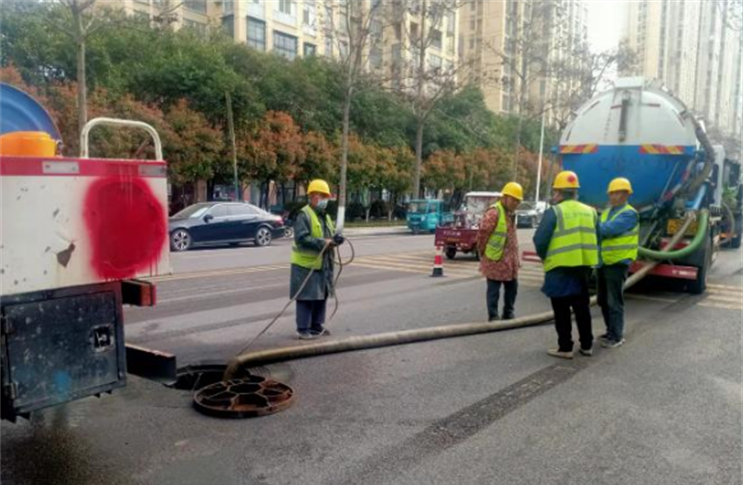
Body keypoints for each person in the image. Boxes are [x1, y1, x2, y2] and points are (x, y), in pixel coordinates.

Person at [533, 171, 599, 359]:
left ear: (559, 192)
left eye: (555, 191)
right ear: (575, 192)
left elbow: (540, 240)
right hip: (584, 266)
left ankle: (565, 347)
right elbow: (598, 237)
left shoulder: (555, 212)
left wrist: (545, 257)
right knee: (582, 307)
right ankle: (587, 345)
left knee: (561, 309)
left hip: (560, 267)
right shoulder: (591, 212)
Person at [291, 179, 344, 340]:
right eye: (322, 196)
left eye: (326, 197)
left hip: (323, 263)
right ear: (312, 196)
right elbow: (302, 238)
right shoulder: (304, 214)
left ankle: (316, 325)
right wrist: (323, 242)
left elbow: (329, 236)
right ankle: (303, 328)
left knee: (321, 294)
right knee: (306, 296)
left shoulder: (324, 216)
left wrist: (335, 240)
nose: (325, 200)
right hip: (306, 265)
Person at [597, 177, 639, 349]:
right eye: (611, 193)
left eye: (617, 193)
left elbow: (608, 230)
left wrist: (589, 225)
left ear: (626, 194)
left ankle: (616, 336)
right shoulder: (607, 212)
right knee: (602, 300)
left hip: (617, 262)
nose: (613, 196)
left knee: (614, 301)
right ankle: (610, 331)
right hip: (603, 262)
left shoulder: (629, 214)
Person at [477, 182, 523, 321]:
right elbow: (483, 235)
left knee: (512, 288)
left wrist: (515, 259)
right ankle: (493, 315)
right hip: (495, 260)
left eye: (518, 201)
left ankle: (508, 312)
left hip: (510, 261)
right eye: (514, 200)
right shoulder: (494, 212)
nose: (516, 203)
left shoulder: (511, 213)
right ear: (505, 197)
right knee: (493, 290)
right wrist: (482, 252)